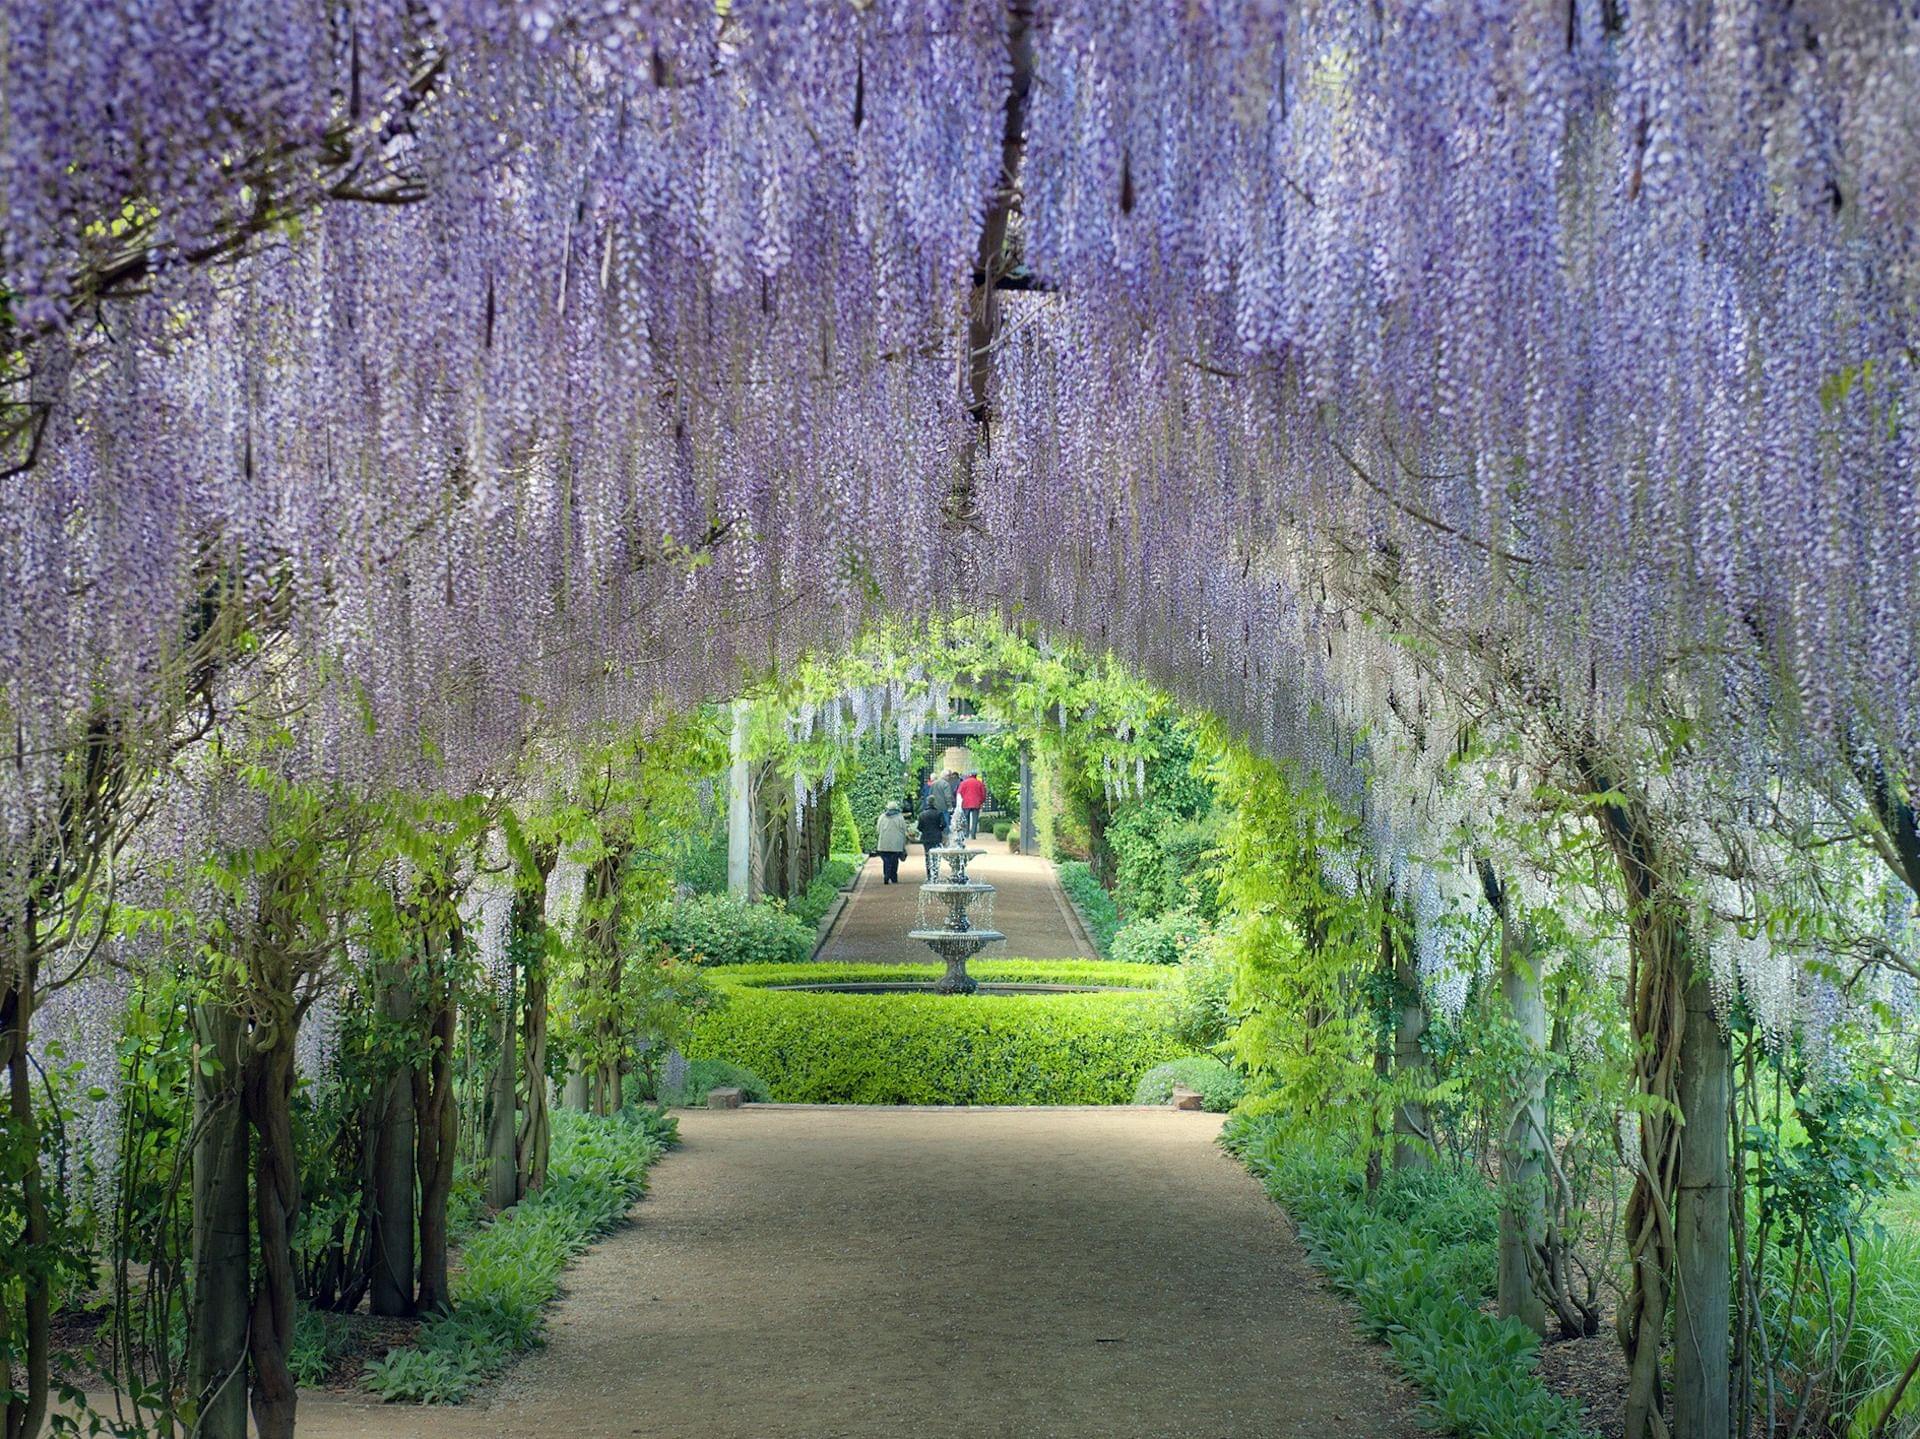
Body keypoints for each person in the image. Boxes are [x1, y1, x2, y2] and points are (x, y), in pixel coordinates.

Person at [874, 801, 909, 885]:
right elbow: (904, 830)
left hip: (884, 844)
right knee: (894, 861)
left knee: (886, 860)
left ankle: (886, 874)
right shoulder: (900, 817)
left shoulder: (882, 817)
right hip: (896, 844)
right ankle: (893, 877)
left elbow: (878, 830)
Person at [957, 771, 987, 838]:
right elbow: (983, 794)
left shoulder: (963, 783)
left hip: (966, 803)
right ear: (975, 775)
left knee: (966, 819)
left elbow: (959, 793)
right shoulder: (979, 783)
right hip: (976, 803)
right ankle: (973, 835)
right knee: (975, 820)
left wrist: (961, 801)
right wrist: (981, 801)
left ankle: (966, 834)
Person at [917, 796, 946, 862]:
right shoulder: (939, 813)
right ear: (934, 802)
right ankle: (935, 870)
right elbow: (944, 824)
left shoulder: (922, 814)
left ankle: (929, 870)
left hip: (926, 837)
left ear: (927, 802)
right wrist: (939, 829)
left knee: (927, 854)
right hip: (937, 836)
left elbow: (919, 827)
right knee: (936, 854)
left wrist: (924, 830)